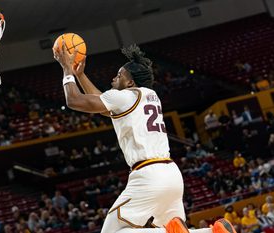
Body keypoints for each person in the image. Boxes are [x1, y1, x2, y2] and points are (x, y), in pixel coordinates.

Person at [53, 43, 235, 233]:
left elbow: (74, 100)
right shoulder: (149, 95)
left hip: (148, 176)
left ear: (130, 83)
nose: (114, 78)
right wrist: (81, 76)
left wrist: (66, 69)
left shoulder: (125, 96)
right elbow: (103, 104)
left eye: (119, 75)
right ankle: (213, 231)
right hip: (171, 173)